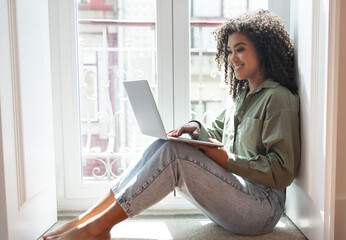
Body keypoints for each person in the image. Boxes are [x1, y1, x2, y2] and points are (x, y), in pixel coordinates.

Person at [43, 9, 300, 240]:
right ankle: (87, 220)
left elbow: (283, 171)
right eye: (229, 51)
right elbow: (217, 130)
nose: (233, 58)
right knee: (162, 145)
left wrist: (226, 160)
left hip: (262, 209)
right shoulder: (241, 96)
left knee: (174, 154)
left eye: (240, 49)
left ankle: (95, 229)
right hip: (238, 195)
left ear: (263, 51)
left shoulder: (278, 98)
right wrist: (195, 127)